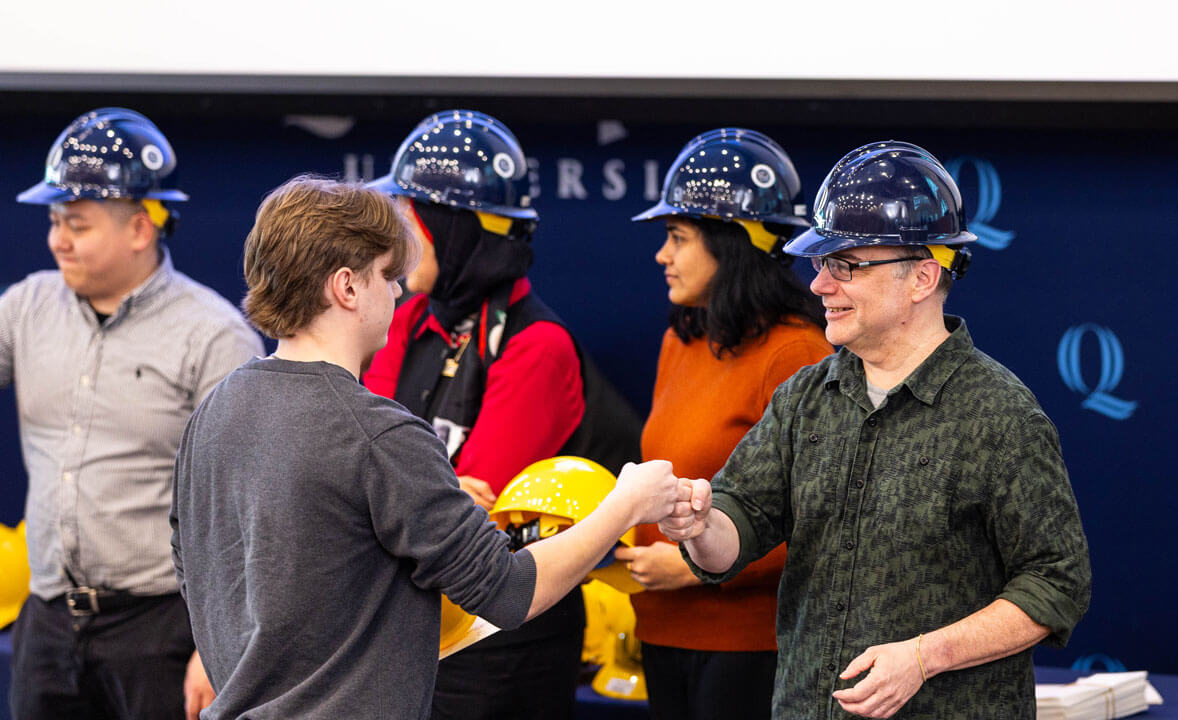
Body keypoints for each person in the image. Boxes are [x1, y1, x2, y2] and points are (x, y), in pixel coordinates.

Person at [169, 175, 683, 720]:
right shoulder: (378, 434)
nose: (398, 291)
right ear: (346, 287)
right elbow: (510, 592)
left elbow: (193, 561)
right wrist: (626, 503)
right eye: (387, 276)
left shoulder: (213, 411)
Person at [661, 141, 1091, 719]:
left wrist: (924, 657)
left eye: (847, 266)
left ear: (921, 277)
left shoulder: (1000, 415)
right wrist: (699, 525)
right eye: (821, 265)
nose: (819, 286)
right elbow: (740, 524)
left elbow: (1056, 583)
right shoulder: (806, 398)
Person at [363, 109, 642, 719]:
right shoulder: (408, 318)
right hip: (416, 632)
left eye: (411, 217)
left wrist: (401, 502)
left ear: (456, 227)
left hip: (505, 645)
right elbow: (373, 463)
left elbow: (465, 518)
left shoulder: (538, 344)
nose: (397, 238)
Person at [2, 107, 264, 720]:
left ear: (141, 229)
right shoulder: (26, 307)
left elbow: (247, 503)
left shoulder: (214, 336)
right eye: (53, 220)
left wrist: (217, 642)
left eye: (77, 223)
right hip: (44, 625)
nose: (56, 239)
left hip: (161, 630)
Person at [615, 128, 831, 720]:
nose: (663, 255)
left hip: (749, 647)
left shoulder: (797, 353)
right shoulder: (681, 340)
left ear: (731, 243)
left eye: (678, 237)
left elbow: (822, 526)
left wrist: (691, 569)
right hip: (661, 633)